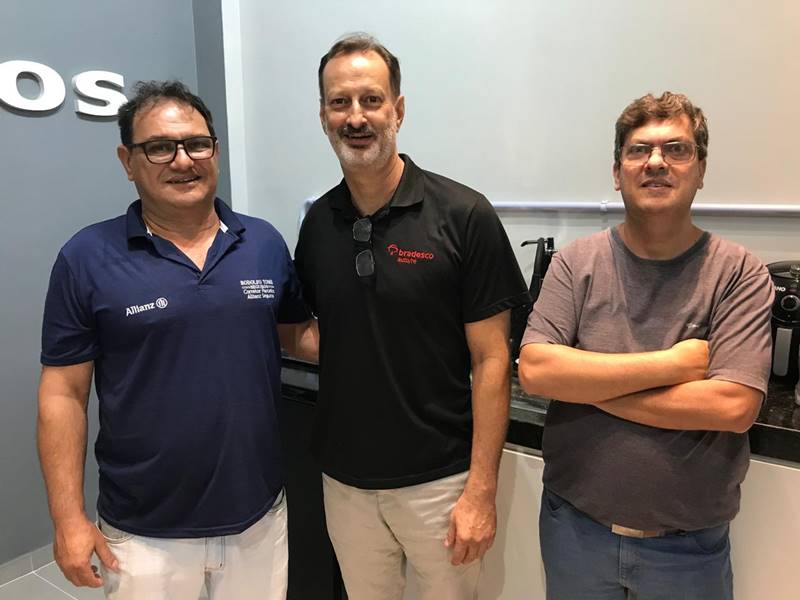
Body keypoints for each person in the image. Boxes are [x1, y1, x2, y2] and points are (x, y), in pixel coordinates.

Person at [37, 80, 317, 600]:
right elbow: (63, 394)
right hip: (144, 533)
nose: (183, 160)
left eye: (197, 144)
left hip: (258, 516)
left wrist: (398, 340)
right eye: (160, 147)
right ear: (127, 160)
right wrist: (68, 517)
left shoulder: (263, 243)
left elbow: (298, 334)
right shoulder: (86, 257)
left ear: (215, 150)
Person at [293, 33, 530, 600]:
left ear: (398, 109)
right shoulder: (318, 224)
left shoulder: (464, 215)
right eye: (340, 102)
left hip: (440, 483)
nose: (356, 117)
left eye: (371, 100)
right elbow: (314, 332)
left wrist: (480, 490)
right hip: (346, 482)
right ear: (323, 117)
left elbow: (492, 359)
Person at [519, 92, 774, 599]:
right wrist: (673, 364)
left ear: (701, 170)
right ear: (618, 173)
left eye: (676, 149)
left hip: (689, 549)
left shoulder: (739, 273)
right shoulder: (576, 263)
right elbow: (536, 370)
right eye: (639, 150)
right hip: (575, 532)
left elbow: (732, 406)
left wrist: (587, 387)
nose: (656, 162)